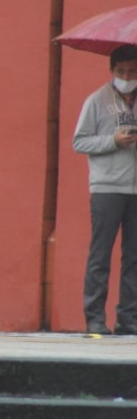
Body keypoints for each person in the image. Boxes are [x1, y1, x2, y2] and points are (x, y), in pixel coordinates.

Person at [73, 43, 137, 335]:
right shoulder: (96, 100)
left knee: (133, 257)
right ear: (112, 70)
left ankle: (128, 319)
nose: (127, 77)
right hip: (107, 187)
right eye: (121, 71)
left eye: (132, 72)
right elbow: (80, 141)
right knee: (100, 255)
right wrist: (113, 140)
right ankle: (95, 318)